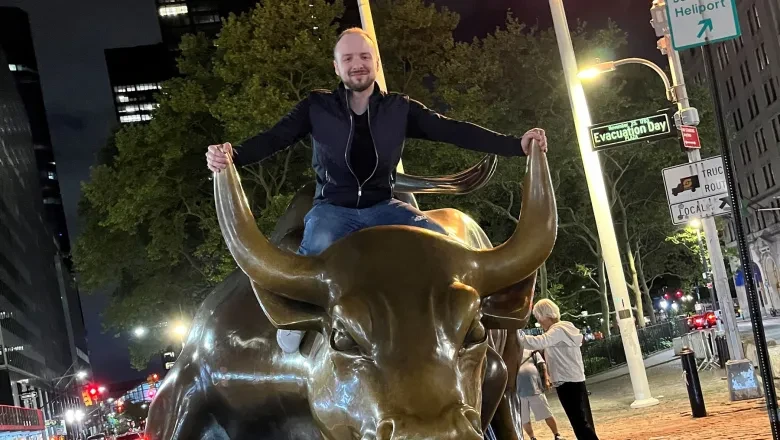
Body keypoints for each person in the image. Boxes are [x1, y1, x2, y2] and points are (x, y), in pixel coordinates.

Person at [206, 27, 548, 353]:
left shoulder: (399, 108)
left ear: (375, 63)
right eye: (349, 58)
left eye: (365, 57)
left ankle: (455, 315)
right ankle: (297, 321)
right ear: (336, 66)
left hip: (384, 206)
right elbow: (274, 138)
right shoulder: (316, 107)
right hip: (333, 209)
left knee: (440, 240)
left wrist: (515, 145)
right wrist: (233, 155)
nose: (358, 64)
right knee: (311, 254)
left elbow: (453, 131)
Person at [519, 299, 598, 440]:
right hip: (571, 380)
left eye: (538, 318)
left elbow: (539, 342)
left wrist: (516, 335)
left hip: (567, 381)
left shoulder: (559, 329)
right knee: (581, 422)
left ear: (544, 315)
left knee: (580, 423)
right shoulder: (564, 329)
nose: (539, 322)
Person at [515, 340, 564, 440]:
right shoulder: (510, 353)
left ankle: (556, 434)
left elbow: (542, 364)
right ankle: (532, 437)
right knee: (524, 419)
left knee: (547, 413)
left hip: (535, 388)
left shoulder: (531, 350)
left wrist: (546, 379)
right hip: (518, 391)